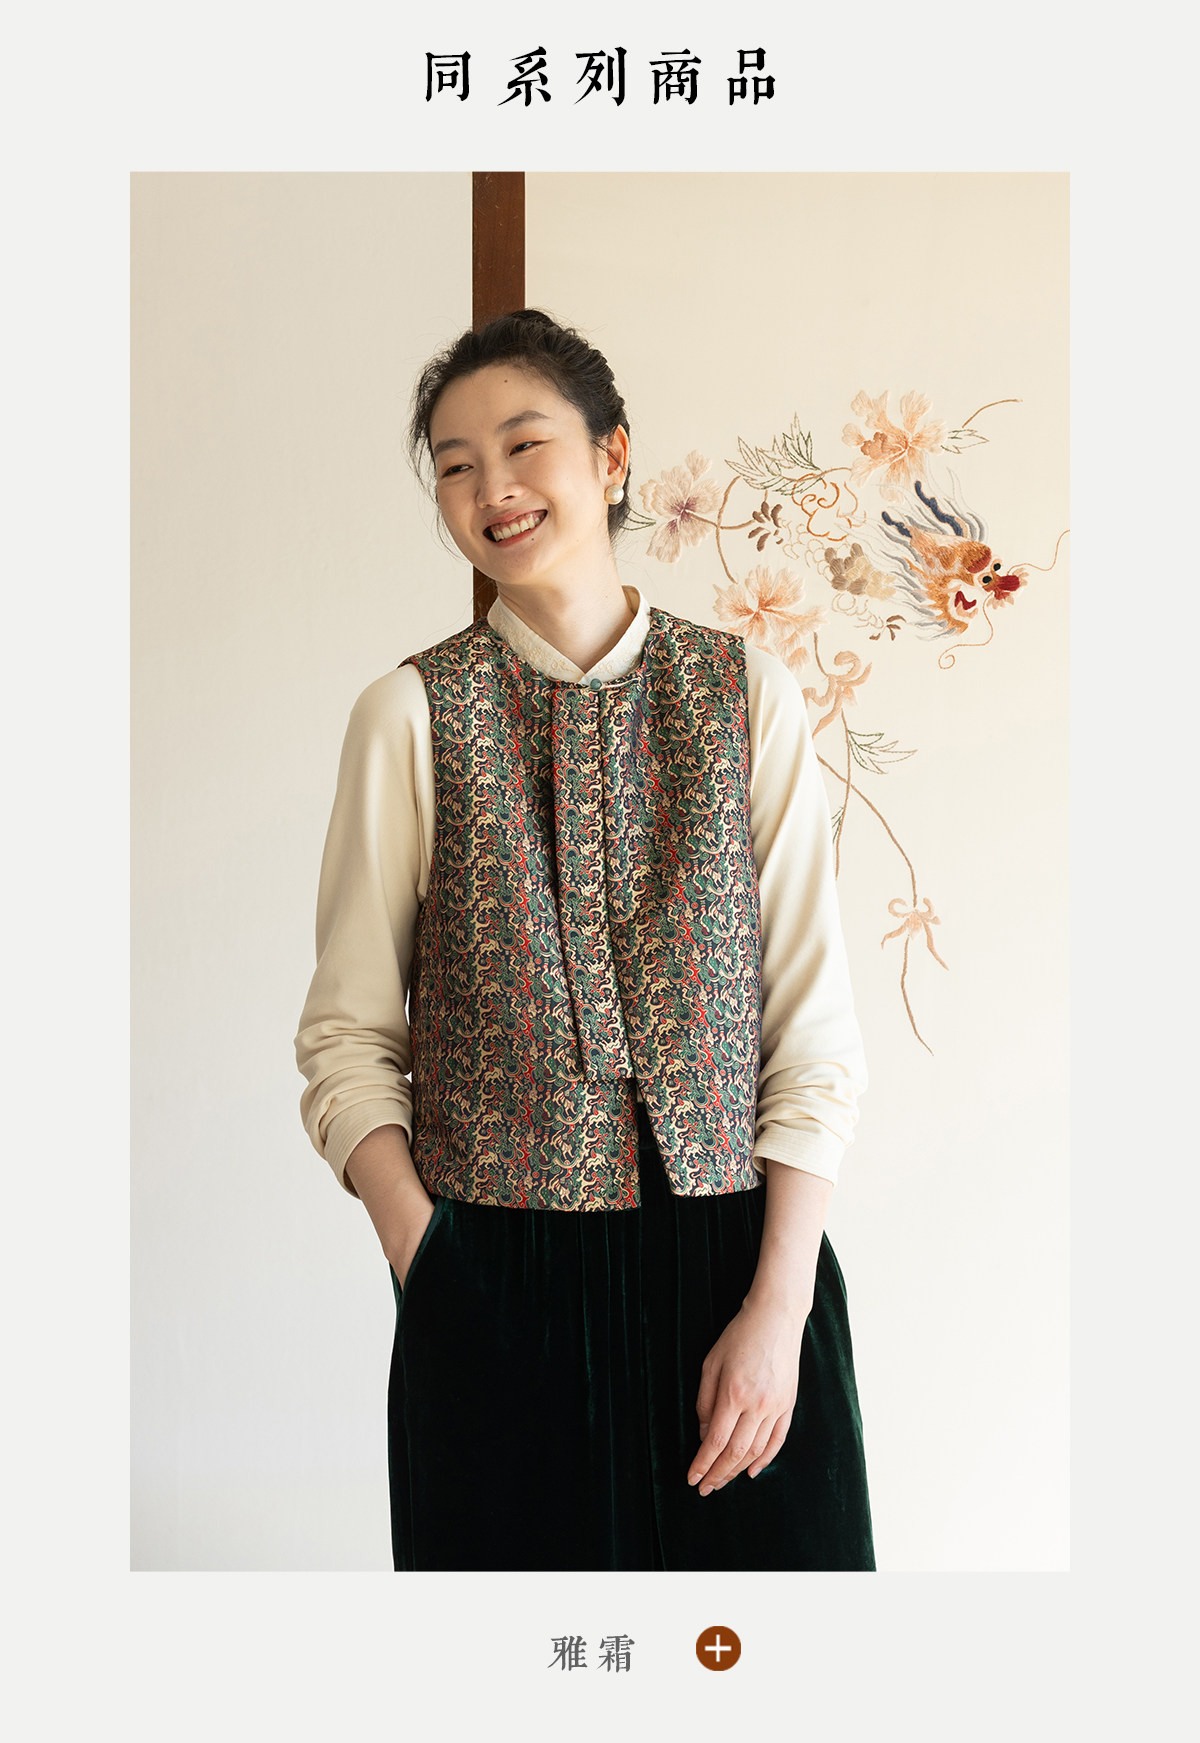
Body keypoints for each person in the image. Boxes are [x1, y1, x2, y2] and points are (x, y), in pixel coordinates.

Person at [294, 309, 875, 1572]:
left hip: (743, 1266)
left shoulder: (745, 695)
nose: (491, 488)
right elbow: (345, 1038)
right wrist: (430, 1261)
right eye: (454, 465)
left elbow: (812, 1030)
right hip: (493, 1278)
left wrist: (779, 1307)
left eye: (523, 445)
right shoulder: (409, 715)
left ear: (611, 458)